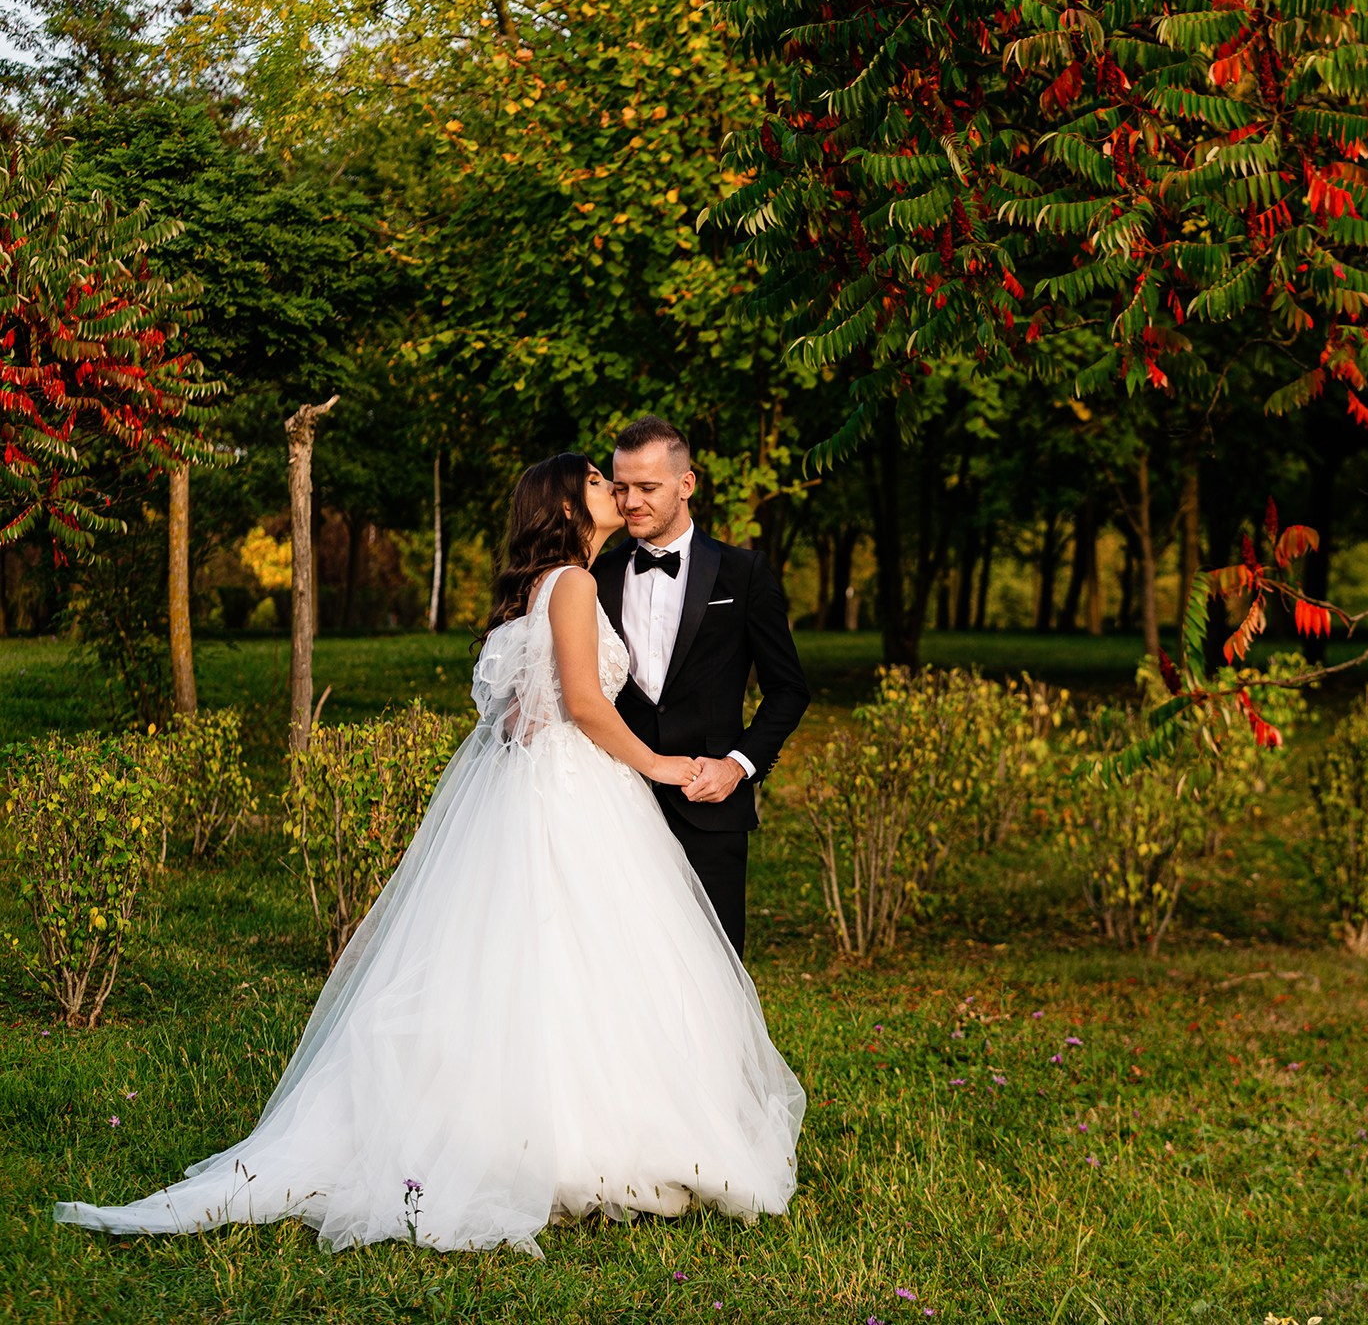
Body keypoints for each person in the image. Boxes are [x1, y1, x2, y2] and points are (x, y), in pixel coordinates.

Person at [53, 454, 806, 1257]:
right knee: (577, 958)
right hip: (579, 790)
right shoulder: (581, 583)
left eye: (624, 484)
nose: (616, 495)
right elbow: (584, 702)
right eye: (599, 483)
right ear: (566, 504)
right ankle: (582, 1143)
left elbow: (526, 705)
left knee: (538, 964)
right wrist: (655, 765)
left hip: (545, 788)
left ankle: (535, 1129)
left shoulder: (544, 585)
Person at [594, 417, 810, 958]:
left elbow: (788, 689)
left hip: (709, 804)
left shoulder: (745, 574)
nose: (630, 502)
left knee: (713, 970)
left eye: (648, 488)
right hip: (613, 800)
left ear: (686, 485)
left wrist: (737, 765)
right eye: (621, 488)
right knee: (616, 963)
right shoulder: (594, 575)